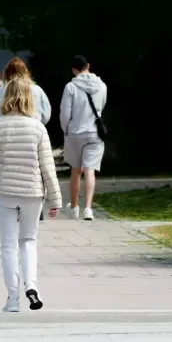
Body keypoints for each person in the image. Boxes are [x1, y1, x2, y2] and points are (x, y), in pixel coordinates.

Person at [0, 78, 62, 312]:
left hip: (4, 192)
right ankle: (31, 285)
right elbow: (47, 167)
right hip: (32, 193)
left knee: (8, 245)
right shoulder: (38, 128)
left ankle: (12, 298)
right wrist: (55, 199)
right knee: (29, 241)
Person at [60, 55, 107, 221]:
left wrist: (65, 129)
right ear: (88, 65)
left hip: (75, 133)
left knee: (76, 170)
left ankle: (73, 207)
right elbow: (100, 107)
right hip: (94, 132)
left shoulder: (71, 87)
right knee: (90, 170)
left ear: (74, 70)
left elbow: (65, 113)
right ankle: (88, 208)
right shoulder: (102, 86)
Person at [0, 57, 51, 125]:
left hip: (9, 130)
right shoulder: (37, 90)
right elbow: (46, 113)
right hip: (33, 128)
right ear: (26, 72)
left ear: (7, 73)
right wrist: (39, 125)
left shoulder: (4, 91)